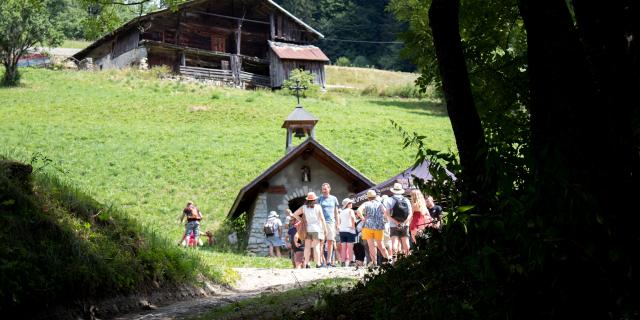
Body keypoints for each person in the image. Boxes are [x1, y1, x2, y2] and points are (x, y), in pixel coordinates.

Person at [356, 189, 391, 266]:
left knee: (371, 245)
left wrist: (363, 218)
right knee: (381, 245)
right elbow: (386, 212)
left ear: (368, 197)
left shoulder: (366, 203)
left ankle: (374, 263)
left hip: (368, 226)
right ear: (375, 196)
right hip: (378, 226)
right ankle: (387, 260)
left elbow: (358, 211)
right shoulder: (379, 204)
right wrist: (382, 218)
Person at [292, 192, 328, 268]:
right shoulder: (318, 207)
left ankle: (307, 264)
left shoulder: (304, 207)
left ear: (307, 200)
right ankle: (318, 264)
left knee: (307, 247)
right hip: (316, 229)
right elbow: (322, 219)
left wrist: (301, 220)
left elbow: (294, 214)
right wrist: (325, 229)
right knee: (316, 247)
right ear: (315, 199)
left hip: (307, 229)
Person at [384, 183, 413, 256]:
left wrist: (396, 222)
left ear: (393, 191)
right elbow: (410, 214)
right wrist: (403, 223)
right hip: (405, 224)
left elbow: (387, 214)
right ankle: (408, 258)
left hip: (393, 224)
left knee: (394, 242)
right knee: (406, 242)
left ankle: (395, 260)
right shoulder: (406, 199)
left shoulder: (389, 200)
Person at [317, 183, 340, 267]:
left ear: (329, 189)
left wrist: (338, 223)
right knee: (321, 242)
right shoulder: (319, 199)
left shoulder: (334, 198)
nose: (324, 190)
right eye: (323, 189)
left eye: (325, 189)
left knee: (330, 241)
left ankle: (329, 260)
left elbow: (336, 212)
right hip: (321, 222)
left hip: (331, 222)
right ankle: (321, 260)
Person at [338, 198, 357, 267]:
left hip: (342, 231)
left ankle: (342, 262)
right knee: (350, 247)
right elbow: (352, 217)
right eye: (350, 203)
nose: (351, 204)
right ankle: (351, 261)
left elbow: (339, 221)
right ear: (347, 204)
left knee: (343, 247)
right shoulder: (350, 210)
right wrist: (353, 226)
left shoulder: (341, 211)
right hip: (349, 230)